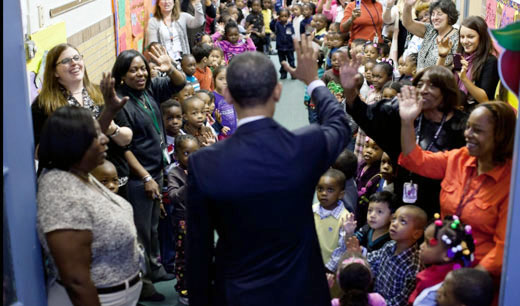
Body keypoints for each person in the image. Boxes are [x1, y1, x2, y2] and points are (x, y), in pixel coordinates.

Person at [185, 35, 352, 305]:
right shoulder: (304, 146)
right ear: (277, 90)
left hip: (238, 294)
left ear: (227, 94)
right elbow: (340, 124)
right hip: (300, 292)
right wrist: (314, 81)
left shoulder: (204, 163)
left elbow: (198, 251)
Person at [398, 92, 515, 280]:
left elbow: (505, 248)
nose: (468, 134)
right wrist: (407, 122)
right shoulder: (459, 158)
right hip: (442, 268)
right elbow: (415, 160)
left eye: (477, 130)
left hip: (479, 281)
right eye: (468, 127)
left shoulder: (511, 182)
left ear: (500, 136)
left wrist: (465, 283)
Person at [37, 106, 142, 305]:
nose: (104, 139)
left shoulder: (79, 172)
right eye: (96, 136)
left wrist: (109, 111)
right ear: (73, 144)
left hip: (118, 295)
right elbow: (76, 281)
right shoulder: (60, 193)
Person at [343, 64, 468, 219]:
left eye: (433, 86)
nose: (424, 90)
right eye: (420, 85)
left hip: (442, 206)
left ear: (447, 91)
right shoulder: (400, 111)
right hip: (404, 199)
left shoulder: (462, 126)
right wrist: (349, 90)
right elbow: (365, 115)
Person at [111, 45, 186, 301]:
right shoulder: (121, 102)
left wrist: (169, 67)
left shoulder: (149, 90)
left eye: (143, 68)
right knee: (141, 232)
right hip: (139, 178)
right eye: (133, 71)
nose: (140, 74)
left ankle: (154, 269)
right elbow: (125, 149)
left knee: (153, 227)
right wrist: (145, 177)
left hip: (157, 169)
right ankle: (143, 284)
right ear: (122, 76)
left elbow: (179, 83)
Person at [31, 44, 133, 195]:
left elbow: (127, 138)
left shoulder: (101, 93)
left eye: (77, 58)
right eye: (66, 61)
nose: (74, 63)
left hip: (111, 182)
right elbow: (39, 153)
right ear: (54, 72)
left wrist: (112, 129)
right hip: (72, 187)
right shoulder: (43, 104)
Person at [347, 205, 427, 306]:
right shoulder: (389, 245)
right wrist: (359, 252)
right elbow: (373, 261)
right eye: (394, 219)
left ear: (417, 234)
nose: (394, 224)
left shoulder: (414, 267)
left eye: (403, 221)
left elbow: (401, 301)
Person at [409, 214, 476, 306]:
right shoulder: (462, 268)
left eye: (428, 243)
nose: (421, 246)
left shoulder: (428, 281)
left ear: (448, 255)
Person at [167, 134, 200, 305]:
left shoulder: (203, 169)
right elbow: (173, 196)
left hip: (201, 219)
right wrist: (189, 183)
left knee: (202, 253)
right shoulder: (175, 173)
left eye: (195, 153)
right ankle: (184, 287)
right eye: (187, 153)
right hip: (183, 221)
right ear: (177, 155)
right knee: (184, 255)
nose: (192, 157)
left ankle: (201, 283)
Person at [455, 16, 499, 112]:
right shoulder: (460, 56)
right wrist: (442, 56)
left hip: (474, 115)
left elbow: (485, 100)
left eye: (470, 37)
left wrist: (464, 78)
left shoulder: (490, 61)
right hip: (456, 109)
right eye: (462, 37)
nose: (465, 41)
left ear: (482, 37)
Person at [402, 0, 459, 71]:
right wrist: (408, 5)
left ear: (450, 15)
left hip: (440, 80)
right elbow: (408, 23)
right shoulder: (430, 30)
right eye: (432, 14)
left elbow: (458, 69)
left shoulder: (457, 38)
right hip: (421, 79)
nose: (435, 18)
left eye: (439, 14)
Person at [313, 169, 349, 272]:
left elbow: (342, 248)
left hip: (329, 270)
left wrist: (328, 269)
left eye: (330, 190)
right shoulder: (312, 210)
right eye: (320, 189)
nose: (323, 193)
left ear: (341, 194)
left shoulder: (345, 218)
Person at [213, 66, 238, 138]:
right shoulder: (212, 97)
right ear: (214, 80)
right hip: (221, 134)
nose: (225, 82)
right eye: (221, 79)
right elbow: (211, 117)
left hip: (234, 131)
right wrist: (220, 127)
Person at [270, 8, 295, 79]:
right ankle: (283, 73)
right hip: (280, 47)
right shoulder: (277, 24)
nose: (284, 18)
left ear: (288, 17)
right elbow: (271, 27)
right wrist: (274, 20)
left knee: (291, 61)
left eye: (285, 16)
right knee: (282, 61)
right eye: (282, 16)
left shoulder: (290, 25)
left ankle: (293, 73)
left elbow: (292, 35)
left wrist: (294, 45)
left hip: (289, 47)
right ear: (279, 17)